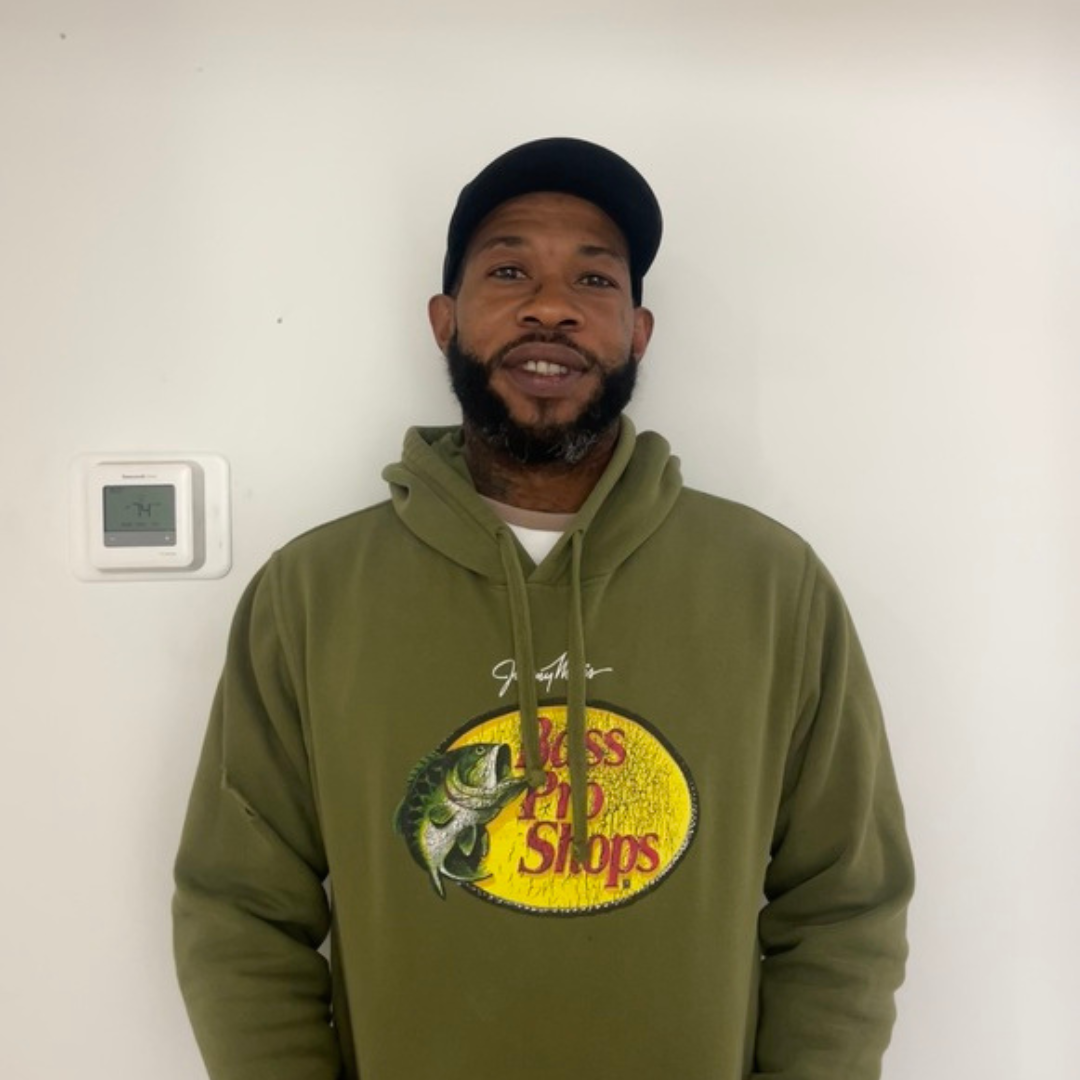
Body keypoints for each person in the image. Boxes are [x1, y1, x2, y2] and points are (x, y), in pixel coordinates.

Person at [173, 137, 914, 1080]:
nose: (551, 305)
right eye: (510, 269)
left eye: (594, 281)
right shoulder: (312, 592)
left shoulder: (772, 584)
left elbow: (846, 905)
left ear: (638, 333)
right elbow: (238, 909)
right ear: (444, 321)